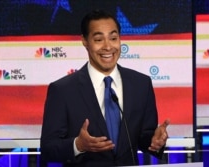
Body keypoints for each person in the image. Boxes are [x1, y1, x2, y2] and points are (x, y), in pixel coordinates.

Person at [40, 9, 169, 167]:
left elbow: (144, 138)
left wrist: (155, 141)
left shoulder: (141, 84)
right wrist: (78, 145)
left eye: (113, 38)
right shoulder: (63, 90)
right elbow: (48, 149)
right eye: (99, 39)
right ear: (85, 41)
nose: (108, 47)